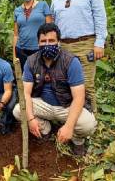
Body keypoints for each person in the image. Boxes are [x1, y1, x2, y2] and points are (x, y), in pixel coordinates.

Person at [13, 23, 97, 155]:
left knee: (88, 125)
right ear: (38, 43)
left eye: (51, 40)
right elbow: (26, 94)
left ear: (58, 42)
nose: (47, 44)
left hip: (67, 106)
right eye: (43, 41)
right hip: (43, 104)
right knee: (18, 111)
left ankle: (77, 139)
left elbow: (79, 97)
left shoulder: (70, 61)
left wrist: (69, 127)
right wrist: (31, 119)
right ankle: (46, 129)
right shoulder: (31, 61)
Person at [50, 0, 108, 112]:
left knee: (87, 84)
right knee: (65, 82)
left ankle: (90, 120)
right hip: (63, 47)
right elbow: (53, 25)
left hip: (86, 44)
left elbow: (100, 18)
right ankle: (72, 117)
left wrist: (99, 43)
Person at [13, 0, 52, 69]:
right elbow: (15, 34)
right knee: (26, 78)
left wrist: (49, 48)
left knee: (41, 77)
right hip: (21, 50)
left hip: (39, 48)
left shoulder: (43, 5)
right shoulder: (17, 10)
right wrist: (14, 55)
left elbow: (50, 29)